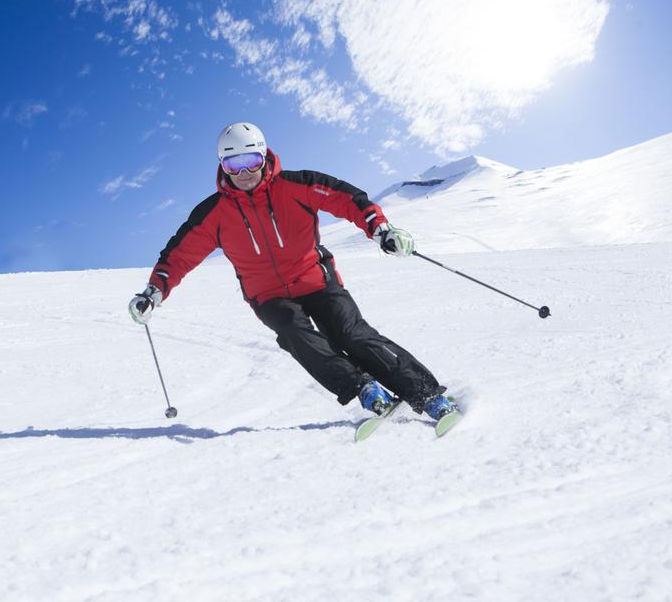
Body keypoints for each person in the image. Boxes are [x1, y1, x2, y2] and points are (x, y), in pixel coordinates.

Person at [127, 122, 457, 422]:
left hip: (315, 279)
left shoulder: (297, 185)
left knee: (351, 333)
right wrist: (154, 292)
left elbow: (347, 199)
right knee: (293, 333)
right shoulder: (213, 213)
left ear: (263, 155)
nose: (243, 173)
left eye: (250, 162)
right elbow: (178, 256)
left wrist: (380, 228)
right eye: (233, 165)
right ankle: (364, 389)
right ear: (222, 166)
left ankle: (427, 396)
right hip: (268, 296)